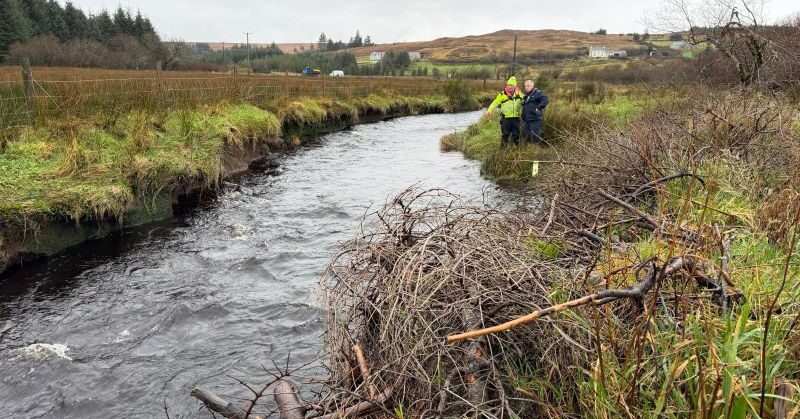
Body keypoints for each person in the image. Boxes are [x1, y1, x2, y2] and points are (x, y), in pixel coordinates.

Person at [486, 76, 523, 146]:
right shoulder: (502, 95)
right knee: (505, 134)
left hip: (516, 118)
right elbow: (495, 102)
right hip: (505, 118)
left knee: (516, 134)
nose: (510, 87)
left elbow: (525, 102)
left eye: (512, 85)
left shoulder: (520, 94)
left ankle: (516, 149)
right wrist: (489, 110)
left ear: (515, 86)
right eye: (509, 85)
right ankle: (503, 149)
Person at [521, 79, 549, 143]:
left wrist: (539, 107)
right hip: (526, 119)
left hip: (535, 119)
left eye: (528, 86)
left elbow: (545, 99)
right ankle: (529, 150)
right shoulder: (526, 95)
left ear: (532, 85)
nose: (526, 88)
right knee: (526, 136)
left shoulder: (538, 93)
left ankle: (536, 150)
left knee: (535, 137)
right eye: (525, 86)